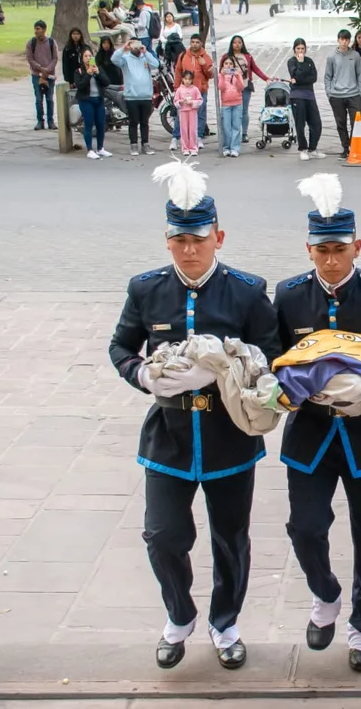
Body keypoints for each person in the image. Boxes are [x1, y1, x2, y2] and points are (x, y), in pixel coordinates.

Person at [109, 163, 281, 672]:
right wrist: (143, 375)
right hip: (169, 435)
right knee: (163, 535)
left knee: (230, 538)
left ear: (218, 238)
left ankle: (225, 623)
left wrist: (229, 370)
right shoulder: (146, 289)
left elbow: (272, 353)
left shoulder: (246, 290)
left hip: (229, 435)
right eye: (179, 240)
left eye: (199, 240)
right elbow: (121, 347)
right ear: (167, 241)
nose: (189, 250)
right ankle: (179, 614)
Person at [274, 173, 361, 673]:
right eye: (321, 250)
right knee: (305, 527)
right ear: (308, 249)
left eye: (339, 249)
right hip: (311, 436)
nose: (331, 260)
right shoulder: (289, 295)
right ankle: (325, 592)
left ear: (357, 246)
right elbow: (275, 360)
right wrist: (289, 390)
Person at [112, 38, 160, 156]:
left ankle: (145, 144)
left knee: (145, 122)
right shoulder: (125, 59)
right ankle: (133, 144)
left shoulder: (145, 58)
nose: (136, 47)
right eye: (133, 44)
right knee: (133, 122)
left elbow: (156, 64)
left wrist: (146, 52)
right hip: (132, 96)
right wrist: (124, 48)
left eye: (138, 44)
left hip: (146, 95)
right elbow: (114, 59)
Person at [324, 29, 361, 159]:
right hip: (336, 95)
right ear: (338, 40)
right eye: (342, 39)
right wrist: (329, 93)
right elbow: (328, 76)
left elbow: (360, 74)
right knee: (340, 123)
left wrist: (360, 91)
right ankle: (345, 147)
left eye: (347, 39)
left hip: (353, 94)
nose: (344, 42)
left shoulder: (355, 55)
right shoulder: (331, 56)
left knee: (356, 122)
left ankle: (354, 146)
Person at [227, 36, 270, 144]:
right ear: (231, 44)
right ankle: (233, 132)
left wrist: (266, 78)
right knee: (232, 110)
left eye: (239, 42)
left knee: (244, 110)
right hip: (231, 87)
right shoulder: (226, 57)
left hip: (246, 86)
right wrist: (235, 72)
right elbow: (223, 70)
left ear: (242, 44)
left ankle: (244, 133)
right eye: (234, 42)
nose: (237, 44)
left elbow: (255, 69)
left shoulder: (248, 56)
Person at [288, 38, 324, 161]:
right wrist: (300, 63)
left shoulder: (309, 61)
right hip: (297, 96)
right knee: (300, 124)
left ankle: (312, 148)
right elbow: (295, 75)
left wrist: (299, 80)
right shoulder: (292, 61)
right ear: (294, 49)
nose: (300, 51)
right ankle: (302, 148)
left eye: (302, 48)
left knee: (316, 123)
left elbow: (313, 78)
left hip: (309, 95)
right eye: (298, 48)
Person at [175, 34, 214, 148]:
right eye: (193, 42)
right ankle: (176, 137)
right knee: (180, 115)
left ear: (201, 43)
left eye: (197, 42)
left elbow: (211, 75)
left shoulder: (206, 57)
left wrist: (204, 65)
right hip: (184, 91)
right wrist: (176, 88)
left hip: (200, 90)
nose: (195, 44)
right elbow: (178, 71)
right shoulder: (183, 55)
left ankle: (198, 137)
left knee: (201, 115)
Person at [74, 47, 111, 160]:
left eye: (90, 56)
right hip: (86, 100)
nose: (88, 58)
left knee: (101, 123)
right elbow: (80, 85)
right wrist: (88, 74)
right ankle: (90, 150)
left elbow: (106, 82)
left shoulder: (97, 68)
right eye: (85, 56)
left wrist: (98, 73)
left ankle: (100, 148)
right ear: (82, 58)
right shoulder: (79, 71)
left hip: (98, 99)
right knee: (89, 124)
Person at [26, 20, 58, 131]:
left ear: (44, 30)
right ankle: (40, 121)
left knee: (49, 99)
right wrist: (40, 68)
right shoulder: (31, 43)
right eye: (35, 29)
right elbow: (30, 59)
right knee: (39, 99)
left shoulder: (51, 42)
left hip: (49, 75)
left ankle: (51, 121)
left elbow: (55, 58)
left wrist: (48, 69)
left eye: (38, 29)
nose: (36, 31)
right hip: (37, 75)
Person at [216, 54, 246, 157]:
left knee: (236, 126)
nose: (228, 66)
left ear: (233, 65)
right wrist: (222, 76)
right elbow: (221, 88)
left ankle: (235, 148)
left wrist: (237, 76)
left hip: (237, 103)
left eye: (230, 64)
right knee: (226, 127)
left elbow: (241, 87)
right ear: (223, 65)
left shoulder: (238, 74)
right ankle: (226, 147)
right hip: (226, 104)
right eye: (226, 63)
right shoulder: (220, 75)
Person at [174, 70, 203, 156]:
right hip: (183, 111)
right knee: (184, 130)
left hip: (192, 111)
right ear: (182, 79)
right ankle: (185, 148)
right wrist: (180, 102)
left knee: (193, 130)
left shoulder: (195, 89)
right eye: (185, 79)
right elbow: (175, 101)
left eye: (189, 79)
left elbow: (200, 100)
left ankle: (193, 148)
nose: (187, 81)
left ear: (192, 80)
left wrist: (193, 102)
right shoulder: (179, 90)